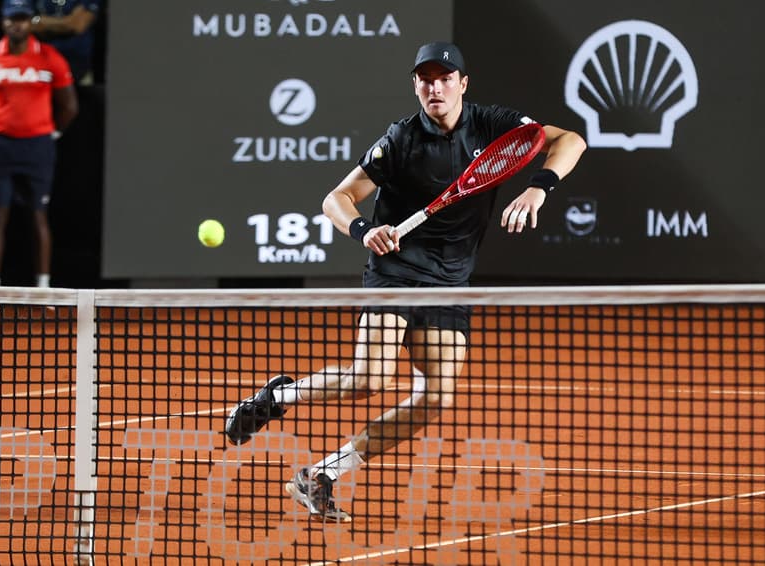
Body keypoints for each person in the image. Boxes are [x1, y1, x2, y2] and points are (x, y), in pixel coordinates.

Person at [225, 41, 586, 522]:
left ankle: (322, 475)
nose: (434, 87)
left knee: (436, 396)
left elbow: (571, 141)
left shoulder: (493, 124)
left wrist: (539, 188)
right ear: (416, 85)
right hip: (396, 271)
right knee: (371, 378)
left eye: (444, 78)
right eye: (425, 79)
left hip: (451, 280)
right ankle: (277, 397)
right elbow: (337, 197)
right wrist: (362, 228)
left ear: (463, 84)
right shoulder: (400, 140)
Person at [0, 0, 78, 288]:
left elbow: (69, 106)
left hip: (38, 147)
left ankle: (43, 285)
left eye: (23, 19)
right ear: (3, 22)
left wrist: (53, 133)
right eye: (12, 19)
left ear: (31, 22)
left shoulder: (50, 58)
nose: (17, 24)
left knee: (38, 216)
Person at [29, 0, 101, 85]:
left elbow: (76, 25)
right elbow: (23, 22)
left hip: (77, 63)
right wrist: (65, 23)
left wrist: (40, 21)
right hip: (39, 62)